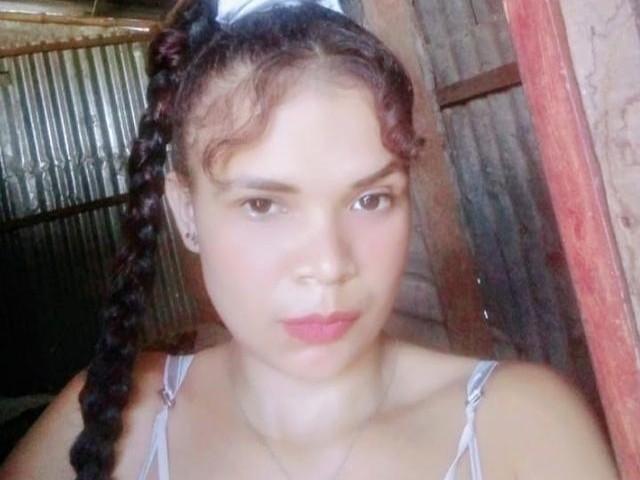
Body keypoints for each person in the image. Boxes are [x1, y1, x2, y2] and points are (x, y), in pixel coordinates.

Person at [0, 1, 620, 479]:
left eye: (370, 199)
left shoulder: (519, 432)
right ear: (186, 210)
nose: (328, 265)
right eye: (263, 205)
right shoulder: (108, 422)